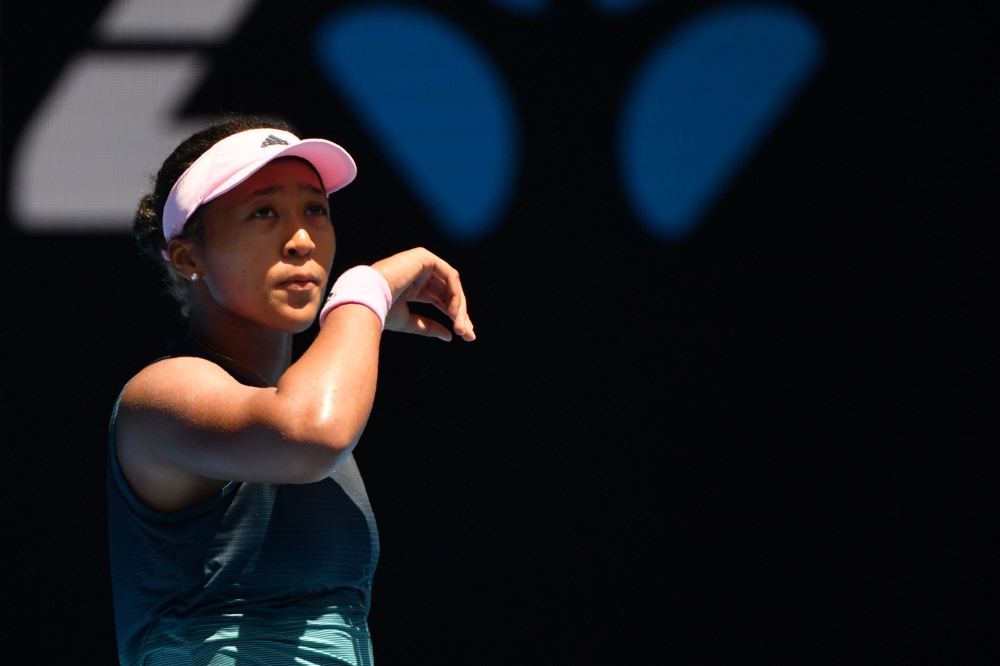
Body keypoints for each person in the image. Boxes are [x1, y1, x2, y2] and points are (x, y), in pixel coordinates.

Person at [107, 117, 475, 666]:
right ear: (188, 257)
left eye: (315, 210)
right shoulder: (159, 396)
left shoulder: (305, 395)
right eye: (263, 212)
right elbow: (312, 435)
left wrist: (354, 318)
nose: (302, 241)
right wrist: (362, 294)